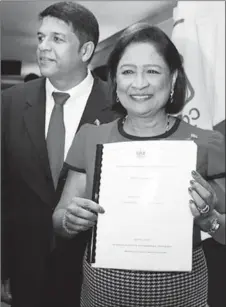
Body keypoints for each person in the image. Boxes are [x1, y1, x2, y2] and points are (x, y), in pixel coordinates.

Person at [52, 23, 225, 307]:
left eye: (153, 71)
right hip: (102, 293)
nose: (139, 83)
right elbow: (59, 220)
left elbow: (223, 230)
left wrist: (208, 220)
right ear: (115, 80)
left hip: (182, 294)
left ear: (173, 78)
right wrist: (70, 220)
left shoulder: (207, 143)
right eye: (128, 71)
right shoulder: (91, 136)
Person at [1, 2, 118, 307]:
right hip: (25, 267)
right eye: (41, 37)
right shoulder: (10, 103)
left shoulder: (118, 106)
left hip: (96, 268)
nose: (43, 47)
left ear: (86, 50)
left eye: (57, 38)